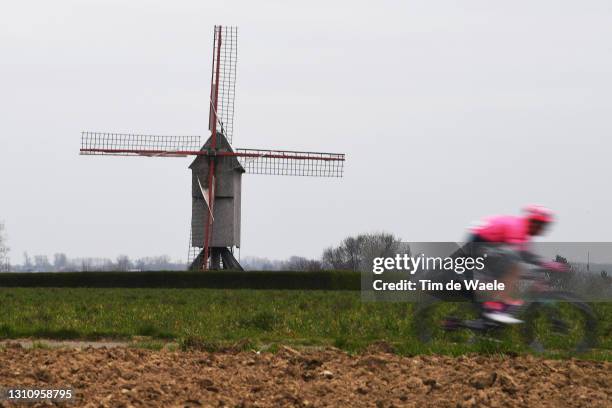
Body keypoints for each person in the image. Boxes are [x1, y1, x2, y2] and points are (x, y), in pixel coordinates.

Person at [467, 205, 567, 324]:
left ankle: (492, 310)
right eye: (542, 225)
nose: (543, 229)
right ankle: (495, 306)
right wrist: (546, 264)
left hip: (482, 245)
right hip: (478, 245)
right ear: (534, 222)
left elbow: (527, 254)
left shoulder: (523, 230)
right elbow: (520, 254)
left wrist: (542, 266)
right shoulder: (518, 227)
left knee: (508, 268)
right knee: (514, 266)